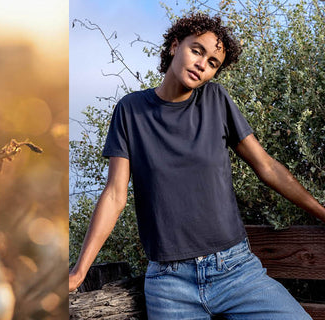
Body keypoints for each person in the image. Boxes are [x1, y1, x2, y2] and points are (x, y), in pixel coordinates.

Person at [68, 13, 325, 319]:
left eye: (213, 63)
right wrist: (79, 271)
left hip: (236, 271)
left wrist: (321, 212)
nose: (203, 64)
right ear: (175, 46)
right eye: (197, 50)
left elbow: (266, 166)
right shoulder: (130, 110)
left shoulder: (216, 100)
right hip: (170, 284)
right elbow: (114, 195)